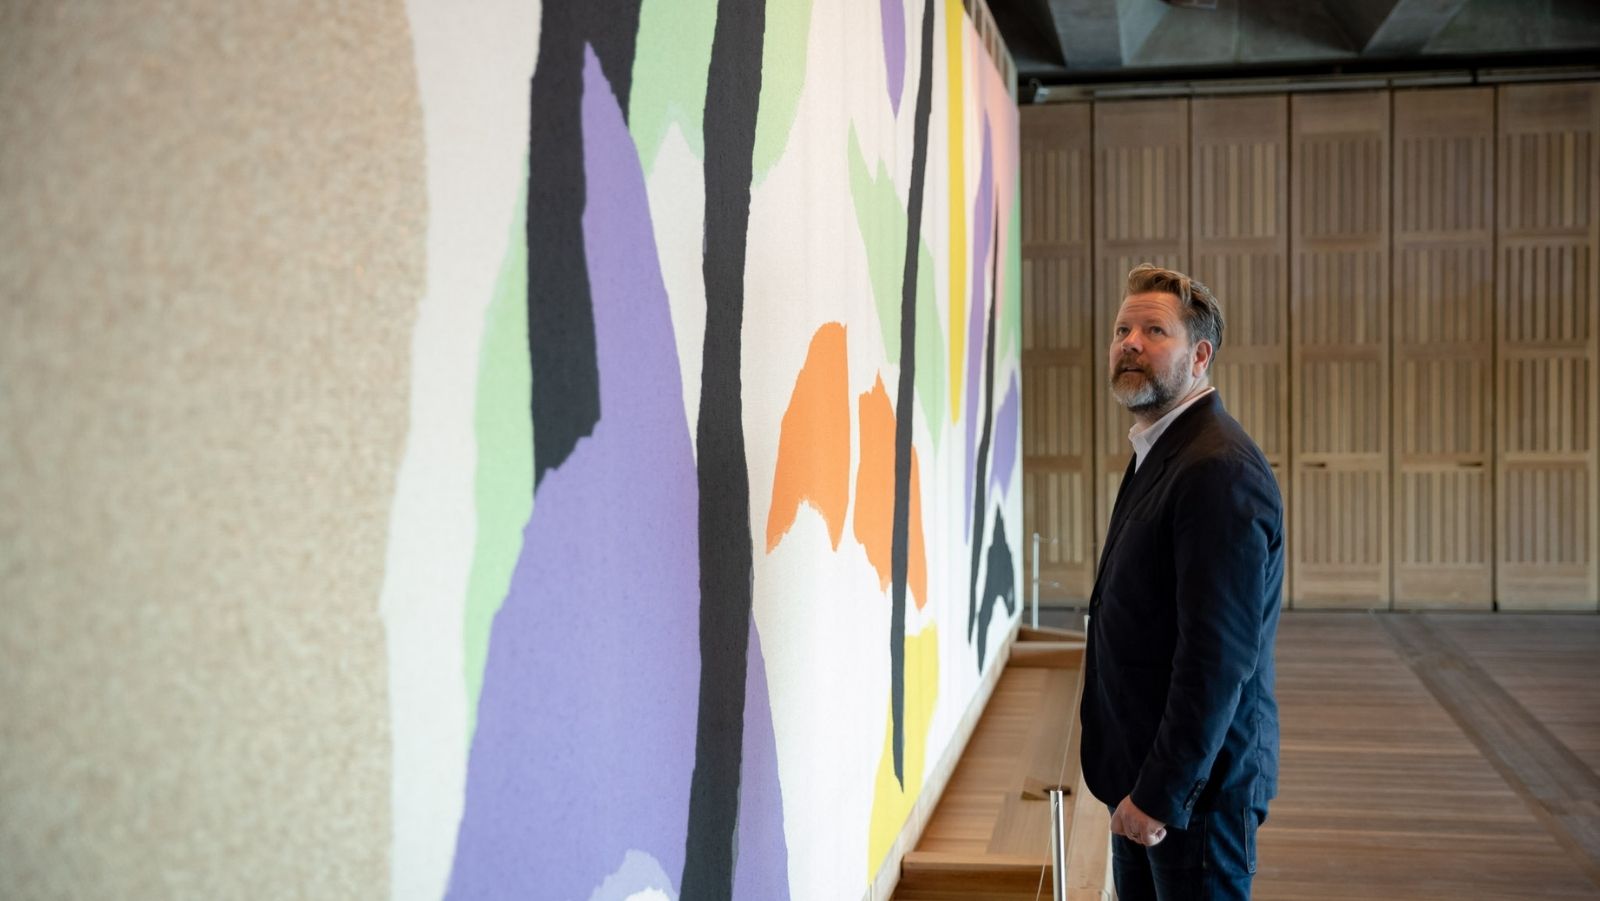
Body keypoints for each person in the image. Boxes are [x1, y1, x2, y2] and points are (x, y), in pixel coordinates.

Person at [1079, 264, 1284, 900]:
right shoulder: (1163, 449)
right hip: (1143, 781)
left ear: (1199, 356)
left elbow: (1217, 659)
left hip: (1192, 799)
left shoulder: (1216, 469)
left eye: (1153, 331)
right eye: (1122, 329)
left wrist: (1159, 797)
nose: (1129, 342)